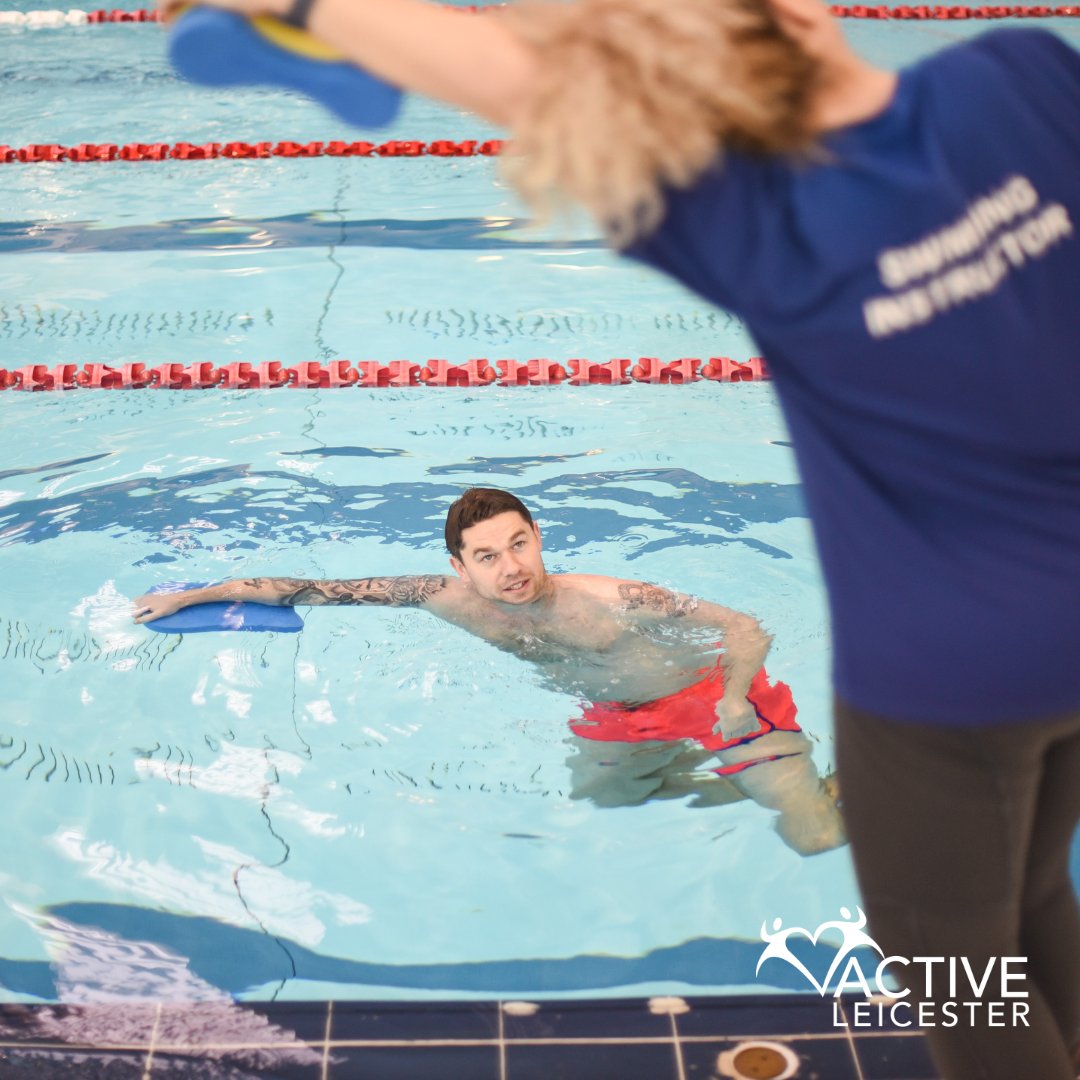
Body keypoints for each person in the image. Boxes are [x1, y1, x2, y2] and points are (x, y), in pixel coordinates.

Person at [160, 0, 1080, 1074]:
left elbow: (525, 84)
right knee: (1034, 896)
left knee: (956, 975)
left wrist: (313, 15)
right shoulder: (1022, 77)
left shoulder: (760, 227)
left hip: (952, 683)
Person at [133, 487, 844, 855]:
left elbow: (742, 626)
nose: (511, 568)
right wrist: (192, 596)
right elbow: (304, 589)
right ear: (458, 567)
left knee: (813, 837)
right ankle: (772, 785)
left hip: (710, 698)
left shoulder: (612, 597)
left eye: (520, 544)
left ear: (539, 540)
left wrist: (732, 703)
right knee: (608, 801)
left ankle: (832, 785)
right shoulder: (438, 599)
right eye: (488, 555)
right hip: (617, 718)